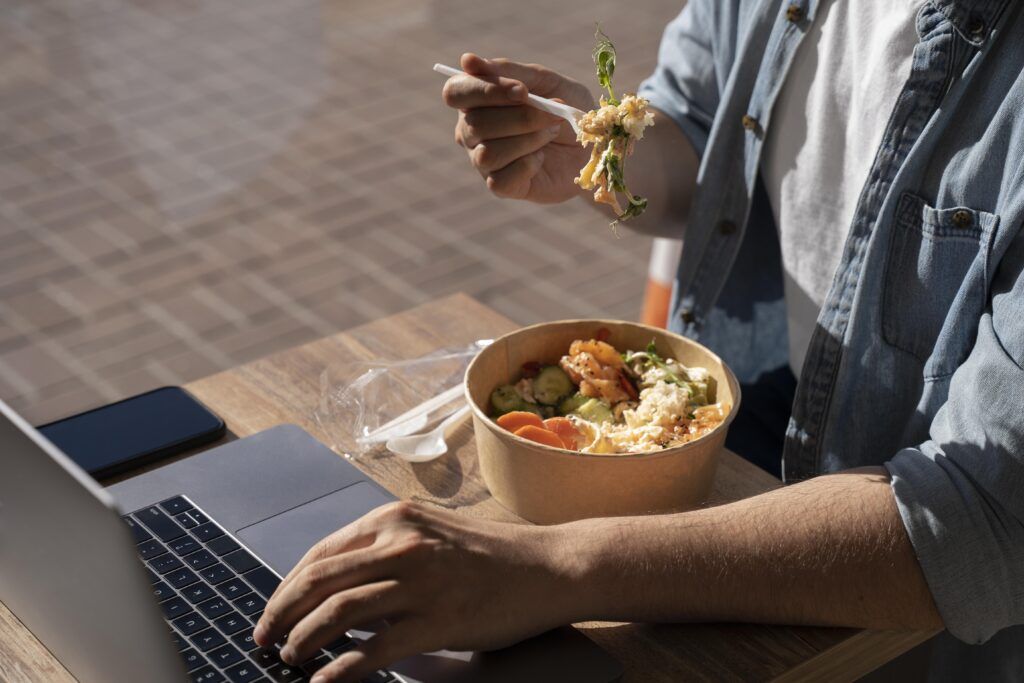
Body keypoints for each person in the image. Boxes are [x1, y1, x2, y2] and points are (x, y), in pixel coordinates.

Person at [253, 1, 1024, 680]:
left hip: (915, 617)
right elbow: (694, 127)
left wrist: (550, 569)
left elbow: (983, 518)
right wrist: (594, 148)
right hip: (742, 437)